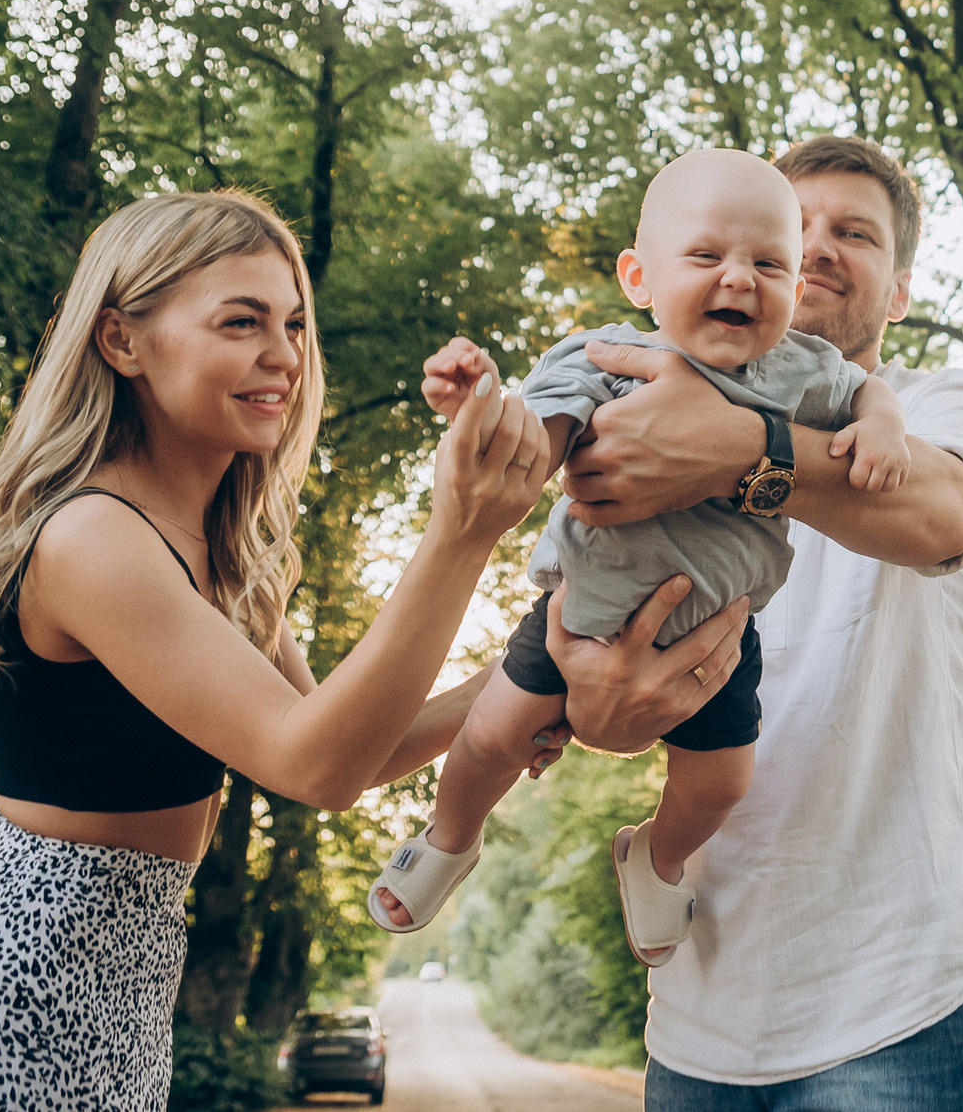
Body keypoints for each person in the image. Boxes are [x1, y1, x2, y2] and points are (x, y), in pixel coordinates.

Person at [0, 190, 560, 1112]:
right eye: (242, 322)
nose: (284, 356)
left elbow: (354, 748)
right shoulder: (93, 537)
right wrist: (460, 534)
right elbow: (316, 767)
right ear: (121, 342)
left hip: (117, 1002)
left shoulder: (223, 551)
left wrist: (532, 667)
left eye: (294, 325)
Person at [467, 137, 963, 1110]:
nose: (816, 250)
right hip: (700, 1008)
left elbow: (941, 518)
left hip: (899, 996)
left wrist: (733, 448)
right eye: (796, 231)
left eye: (856, 234)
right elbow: (565, 648)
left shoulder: (936, 405)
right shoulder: (646, 399)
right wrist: (589, 708)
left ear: (896, 292)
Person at [366, 150, 911, 965]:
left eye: (768, 263)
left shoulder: (802, 376)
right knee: (490, 740)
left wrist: (885, 425)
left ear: (792, 293)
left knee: (722, 780)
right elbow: (530, 447)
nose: (739, 278)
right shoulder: (600, 357)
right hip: (575, 617)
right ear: (638, 277)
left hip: (723, 637)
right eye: (705, 257)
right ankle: (451, 837)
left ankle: (656, 858)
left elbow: (866, 391)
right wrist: (479, 406)